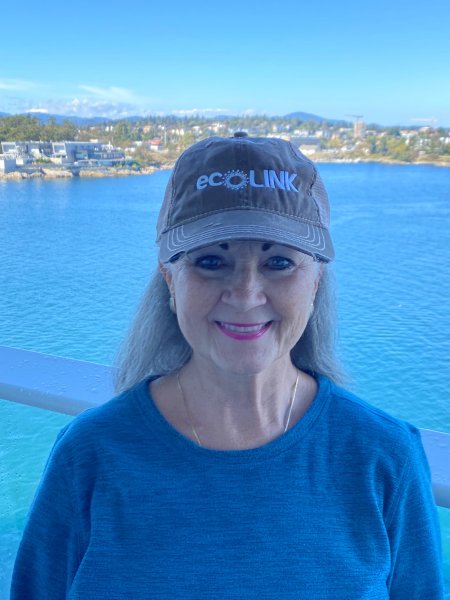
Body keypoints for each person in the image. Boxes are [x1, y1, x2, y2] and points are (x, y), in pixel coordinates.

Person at [11, 133, 444, 599]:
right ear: (169, 279)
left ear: (316, 280)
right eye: (211, 261)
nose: (245, 294)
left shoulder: (384, 456)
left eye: (278, 261)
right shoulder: (90, 456)